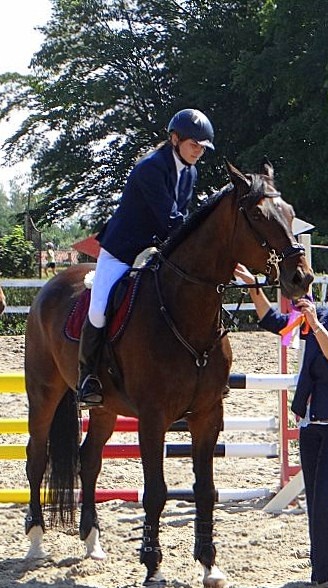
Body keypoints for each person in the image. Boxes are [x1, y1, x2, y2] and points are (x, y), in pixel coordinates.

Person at [234, 263, 328, 588]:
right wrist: (255, 288)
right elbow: (275, 324)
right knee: (315, 498)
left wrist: (314, 324)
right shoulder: (321, 318)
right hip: (313, 421)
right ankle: (324, 572)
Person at [77, 108, 215, 407]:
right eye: (195, 145)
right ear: (175, 139)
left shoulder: (191, 171)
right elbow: (169, 217)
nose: (199, 152)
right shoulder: (151, 168)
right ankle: (88, 376)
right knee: (99, 309)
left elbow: (179, 218)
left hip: (155, 249)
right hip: (123, 251)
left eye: (203, 147)